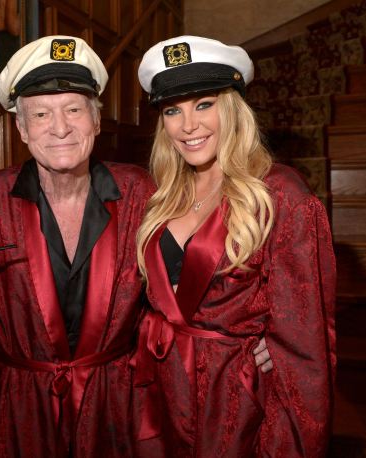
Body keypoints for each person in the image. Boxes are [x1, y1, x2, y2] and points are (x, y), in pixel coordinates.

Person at [0, 34, 273, 457]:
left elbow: (189, 283)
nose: (60, 128)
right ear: (21, 128)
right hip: (24, 409)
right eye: (41, 114)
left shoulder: (143, 193)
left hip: (117, 405)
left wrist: (252, 338)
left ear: (96, 121)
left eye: (74, 110)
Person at [131, 35, 336, 457]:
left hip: (236, 406)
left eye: (203, 104)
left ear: (232, 108)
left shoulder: (281, 195)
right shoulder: (161, 194)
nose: (188, 125)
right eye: (172, 110)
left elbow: (306, 348)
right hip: (161, 396)